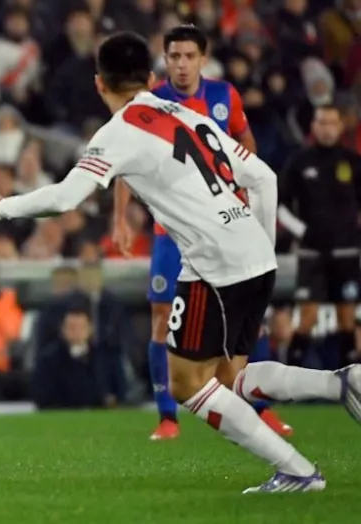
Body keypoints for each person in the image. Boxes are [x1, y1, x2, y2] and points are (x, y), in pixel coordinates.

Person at [0, 31, 361, 494]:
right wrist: (260, 247)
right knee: (230, 378)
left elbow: (66, 198)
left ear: (99, 83)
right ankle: (343, 382)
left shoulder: (118, 132)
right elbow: (263, 177)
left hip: (214, 264)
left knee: (187, 384)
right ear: (152, 78)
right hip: (253, 253)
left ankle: (297, 470)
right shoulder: (189, 115)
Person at [111, 24, 290, 441]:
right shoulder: (151, 102)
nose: (182, 64)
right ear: (165, 59)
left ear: (203, 59)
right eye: (174, 56)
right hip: (170, 231)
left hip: (222, 228)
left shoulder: (225, 96)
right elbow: (125, 162)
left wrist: (240, 189)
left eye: (189, 56)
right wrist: (119, 219)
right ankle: (167, 417)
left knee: (250, 318)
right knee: (161, 318)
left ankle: (260, 409)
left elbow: (245, 142)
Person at [278, 105, 361, 367]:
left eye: (332, 123)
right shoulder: (299, 161)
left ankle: (350, 382)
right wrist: (303, 232)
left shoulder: (353, 162)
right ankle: (289, 377)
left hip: (346, 252)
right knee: (308, 317)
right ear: (313, 126)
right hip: (311, 253)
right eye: (322, 123)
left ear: (340, 126)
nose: (327, 129)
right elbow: (280, 206)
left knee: (347, 319)